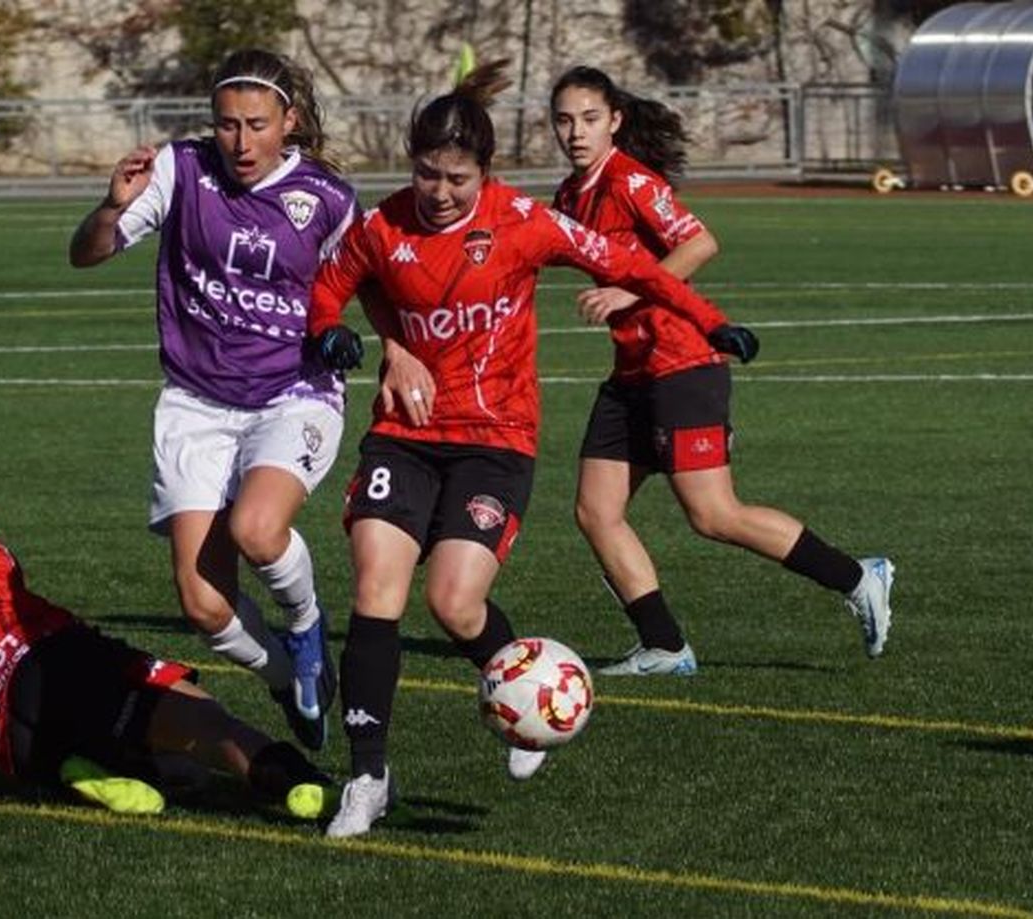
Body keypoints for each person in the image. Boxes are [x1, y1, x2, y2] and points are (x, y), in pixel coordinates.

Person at [307, 61, 739, 838]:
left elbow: (631, 264)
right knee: (377, 584)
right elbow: (329, 286)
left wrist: (707, 321)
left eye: (457, 179)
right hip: (404, 434)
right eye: (427, 174)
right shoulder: (384, 225)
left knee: (452, 602)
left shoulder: (524, 222)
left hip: (494, 440)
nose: (439, 192)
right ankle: (367, 775)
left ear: (487, 172)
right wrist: (350, 336)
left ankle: (526, 692)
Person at [548, 65, 894, 677]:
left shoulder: (633, 181)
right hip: (632, 374)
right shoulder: (572, 195)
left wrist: (631, 292)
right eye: (565, 120)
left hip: (684, 365)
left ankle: (857, 576)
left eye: (590, 119)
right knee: (595, 511)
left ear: (615, 122)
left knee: (713, 515)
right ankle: (664, 645)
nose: (576, 132)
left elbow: (701, 242)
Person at [67, 49, 357, 751]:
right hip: (196, 404)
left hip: (291, 394)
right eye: (226, 125)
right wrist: (112, 205)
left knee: (259, 529)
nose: (240, 141)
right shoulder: (179, 171)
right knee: (202, 601)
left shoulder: (328, 199)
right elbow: (87, 252)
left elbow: (365, 283)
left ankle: (307, 622)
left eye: (256, 124)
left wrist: (367, 341)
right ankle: (290, 679)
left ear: (288, 121)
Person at [0, 432, 335, 819]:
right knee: (209, 724)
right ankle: (306, 786)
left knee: (187, 773)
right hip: (49, 666)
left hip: (12, 740)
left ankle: (83, 766)